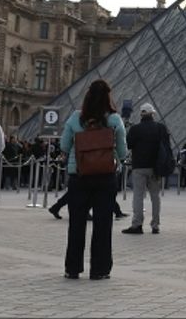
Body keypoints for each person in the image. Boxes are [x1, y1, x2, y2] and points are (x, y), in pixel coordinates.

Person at [59, 78, 128, 280]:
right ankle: (99, 270)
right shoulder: (114, 120)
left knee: (76, 224)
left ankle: (72, 268)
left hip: (79, 175)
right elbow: (122, 152)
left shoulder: (75, 118)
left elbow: (64, 145)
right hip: (105, 176)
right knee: (103, 225)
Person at [124, 103, 168, 235]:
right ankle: (155, 225)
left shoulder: (135, 129)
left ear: (141, 114)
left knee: (138, 196)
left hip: (139, 166)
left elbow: (129, 145)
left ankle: (137, 225)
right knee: (155, 196)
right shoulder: (160, 128)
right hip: (155, 167)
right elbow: (166, 147)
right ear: (153, 114)